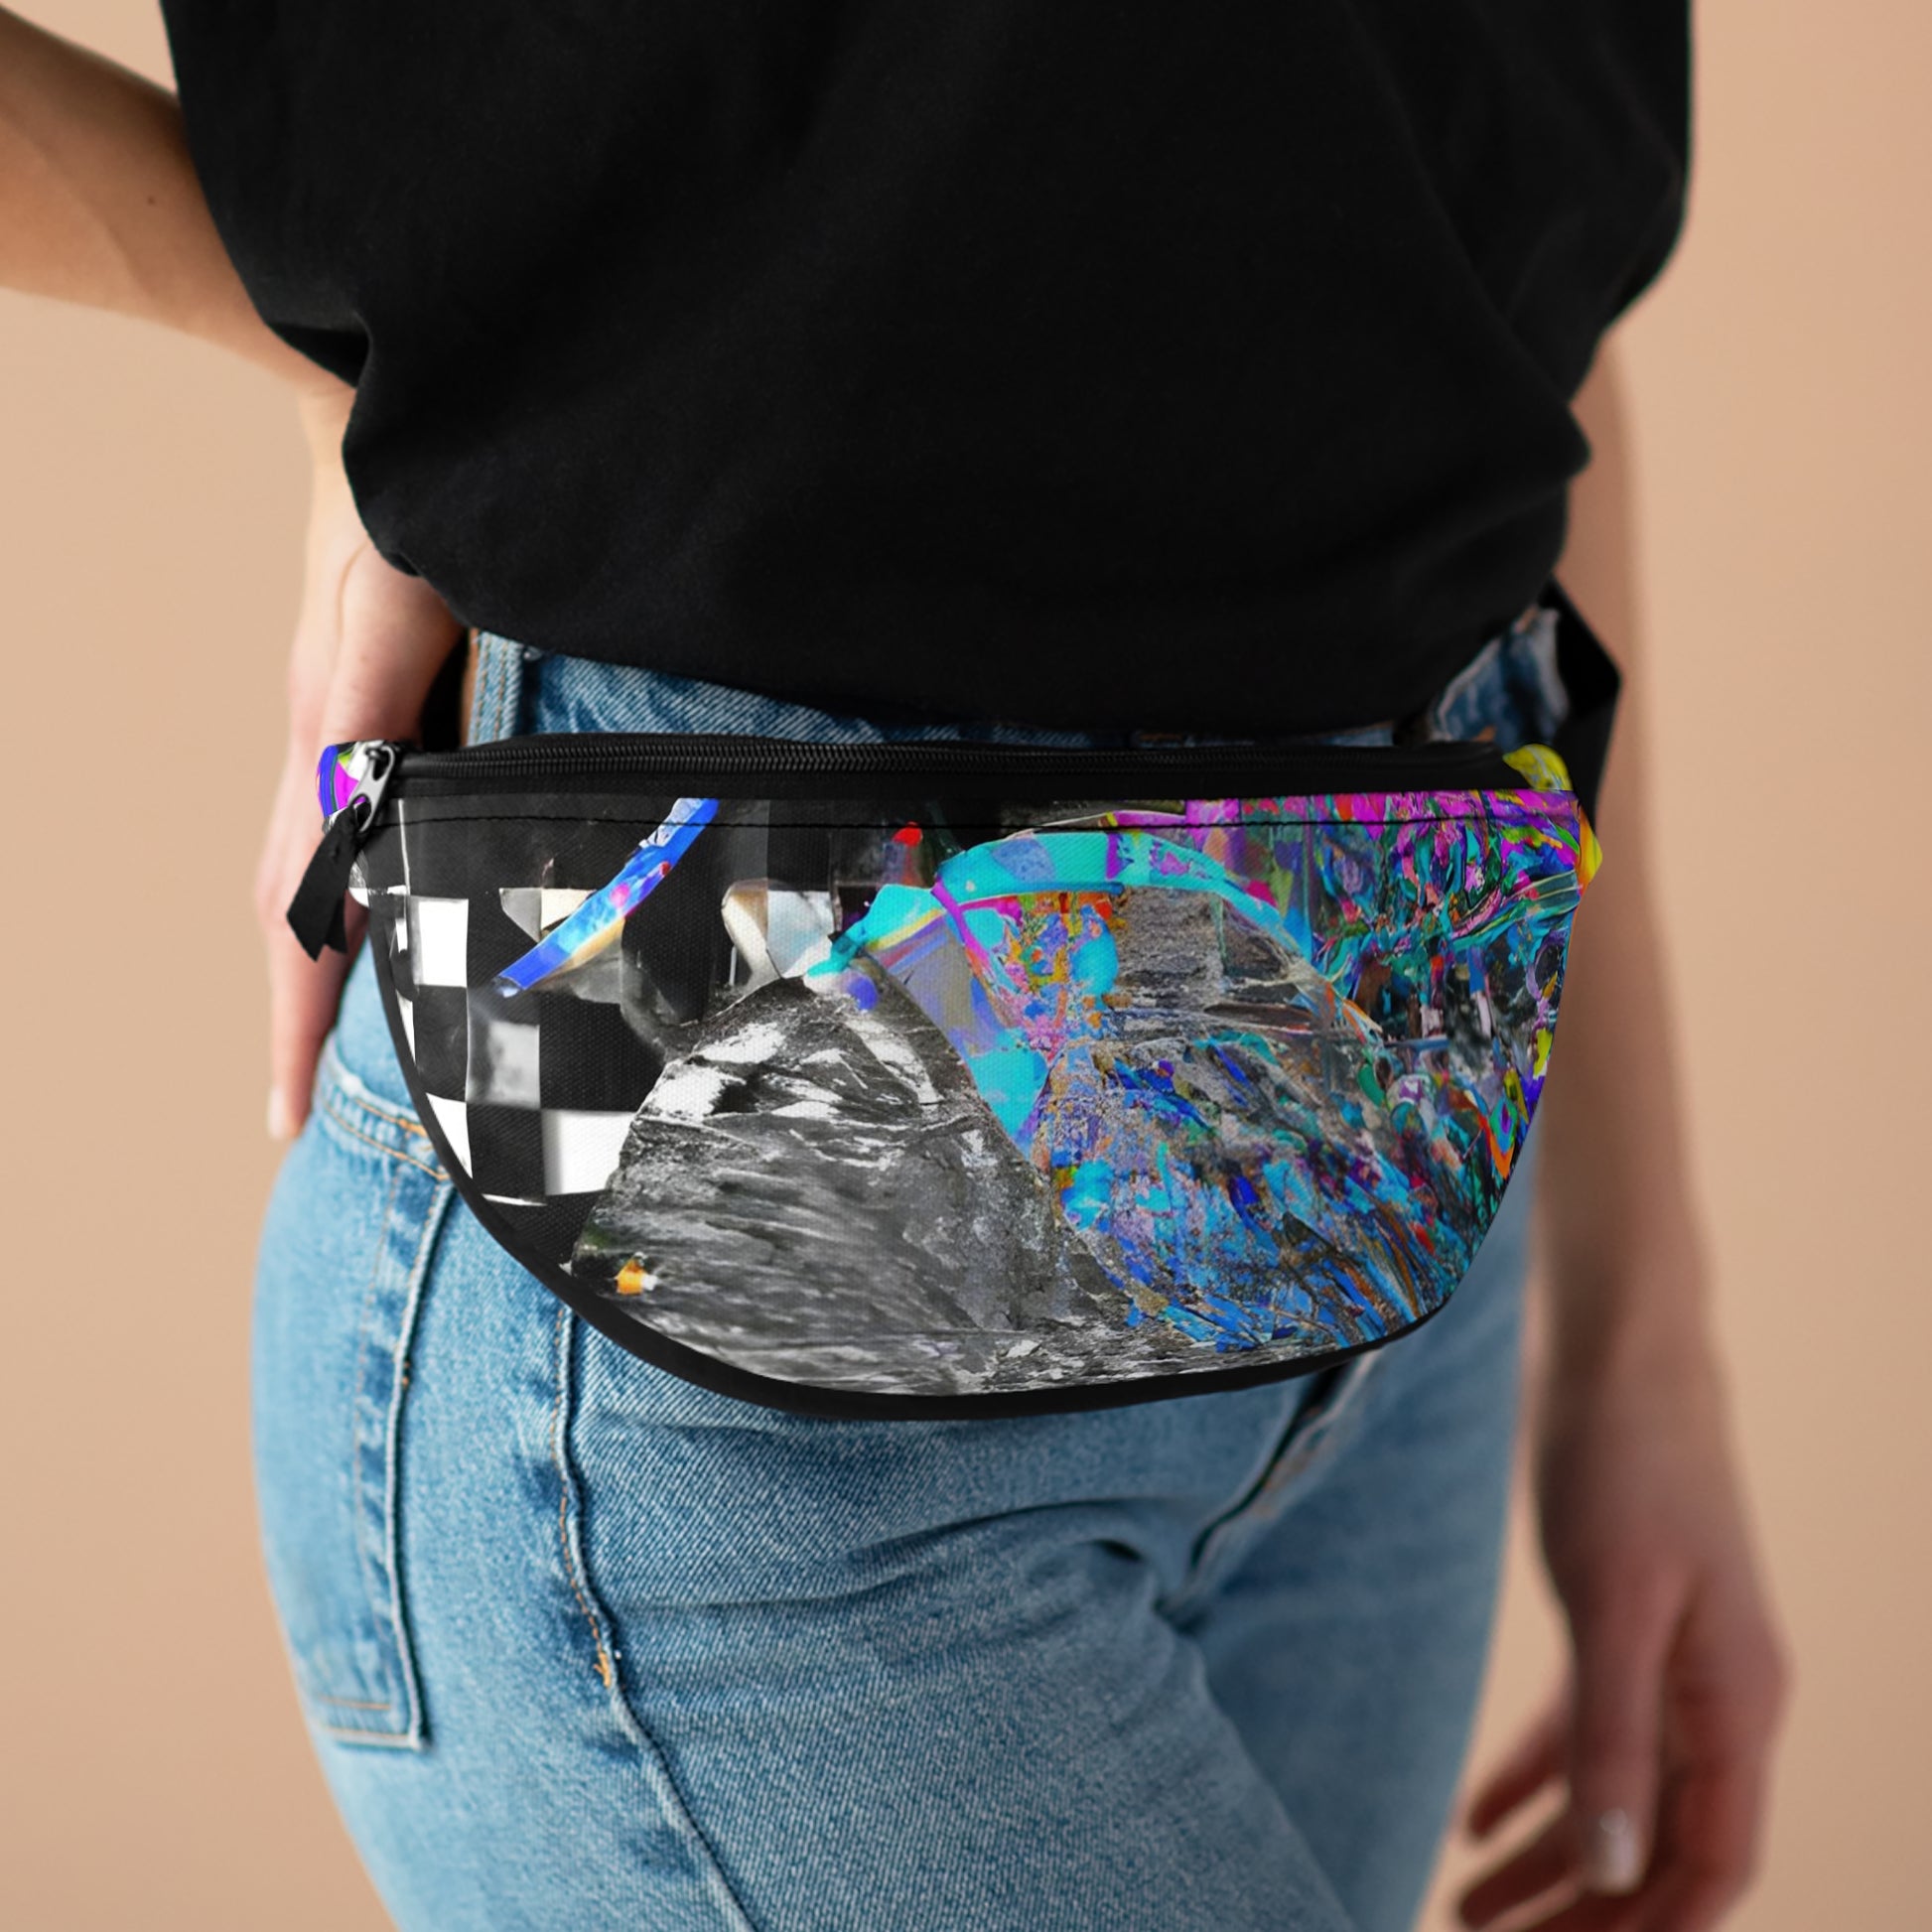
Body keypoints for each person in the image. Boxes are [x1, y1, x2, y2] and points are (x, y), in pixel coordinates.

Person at [1, 8, 1788, 1928]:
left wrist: (1641, 1331)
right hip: (732, 1296)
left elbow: (1501, 274)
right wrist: (346, 376)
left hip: (1405, 1154)